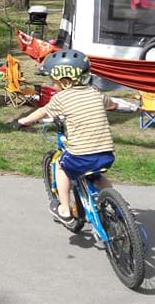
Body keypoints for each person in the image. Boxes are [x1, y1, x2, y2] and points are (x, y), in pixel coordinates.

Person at [11, 49, 116, 228]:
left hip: (81, 156)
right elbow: (111, 104)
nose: (52, 84)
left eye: (54, 81)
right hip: (106, 154)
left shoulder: (62, 98)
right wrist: (112, 106)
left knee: (62, 166)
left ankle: (65, 210)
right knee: (97, 176)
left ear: (65, 81)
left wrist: (23, 121)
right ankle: (119, 206)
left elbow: (42, 111)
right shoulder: (94, 92)